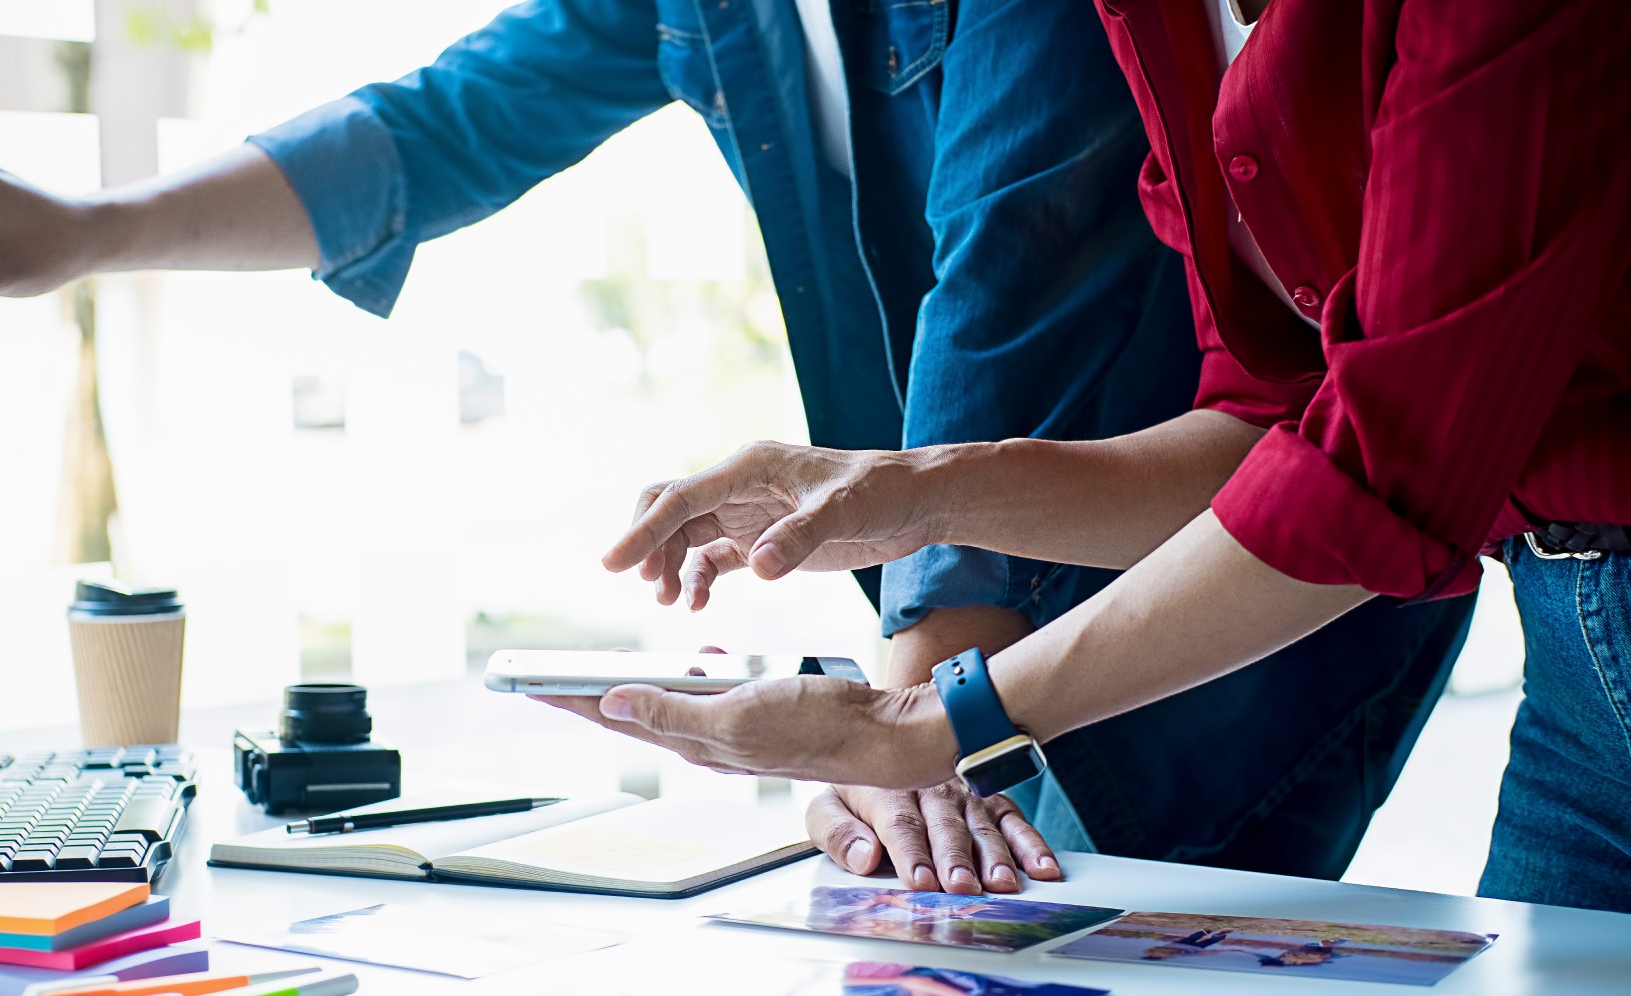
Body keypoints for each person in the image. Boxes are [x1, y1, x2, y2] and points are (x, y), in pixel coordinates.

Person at [0, 0, 1467, 894]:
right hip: (947, 612)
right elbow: (434, 127)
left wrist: (913, 701)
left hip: (1220, 593)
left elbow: (1002, 271)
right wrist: (83, 228)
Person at [543, 0, 1631, 915]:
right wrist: (910, 498)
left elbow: (1389, 465)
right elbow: (1271, 412)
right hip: (1574, 655)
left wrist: (927, 724)